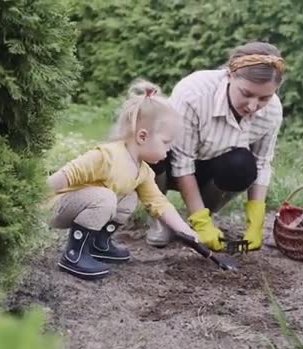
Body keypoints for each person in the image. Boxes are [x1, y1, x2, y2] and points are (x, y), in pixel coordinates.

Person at [46, 80, 199, 280]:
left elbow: (159, 203)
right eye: (166, 143)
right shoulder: (107, 156)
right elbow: (66, 175)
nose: (169, 150)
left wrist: (186, 232)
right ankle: (74, 255)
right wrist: (32, 197)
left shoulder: (143, 171)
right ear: (143, 136)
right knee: (106, 197)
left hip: (86, 206)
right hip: (59, 207)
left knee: (129, 198)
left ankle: (98, 245)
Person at [147, 41, 286, 252]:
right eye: (246, 94)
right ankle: (161, 216)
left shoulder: (272, 111)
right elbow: (182, 161)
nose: (253, 106)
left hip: (210, 168)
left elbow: (262, 163)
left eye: (264, 98)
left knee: (243, 165)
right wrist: (199, 220)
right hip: (171, 161)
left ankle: (205, 212)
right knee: (150, 145)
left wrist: (255, 221)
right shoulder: (194, 93)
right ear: (229, 75)